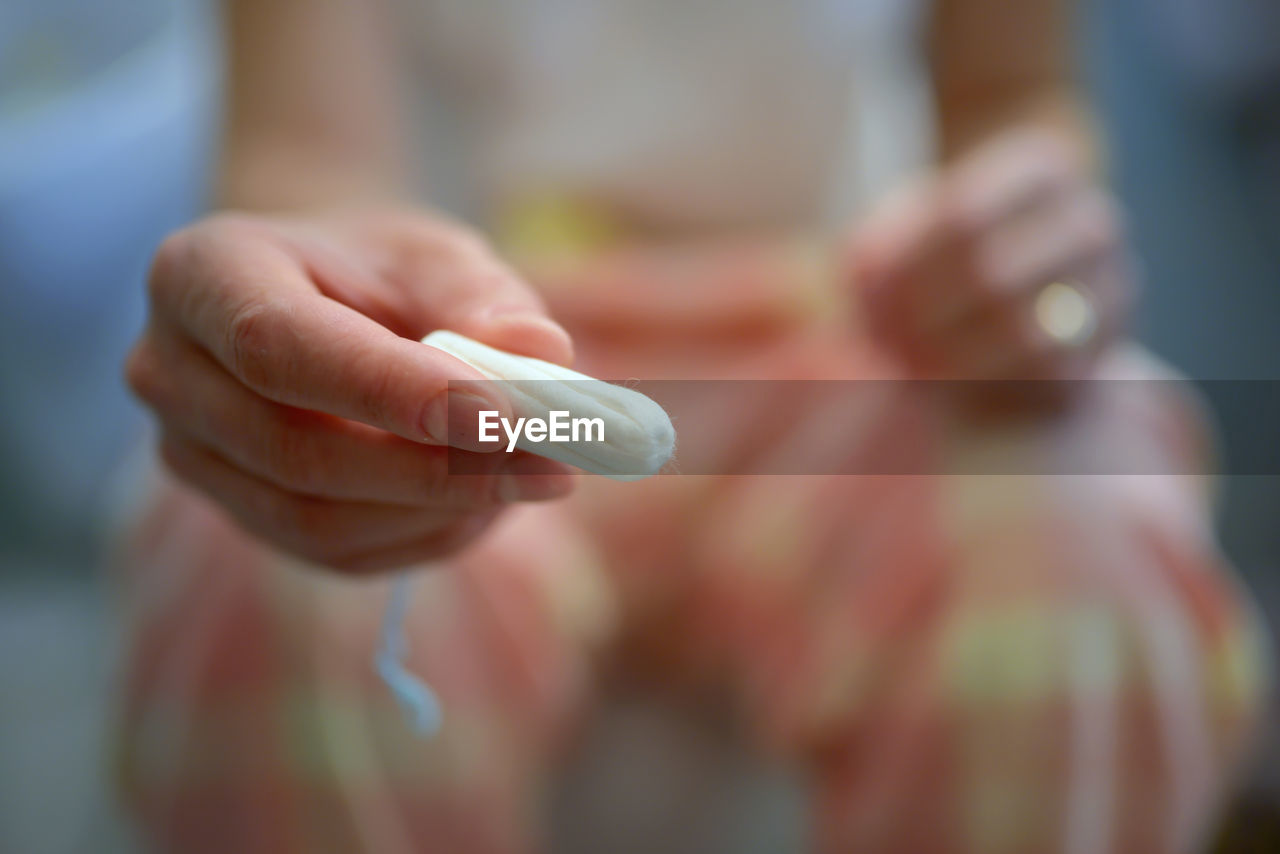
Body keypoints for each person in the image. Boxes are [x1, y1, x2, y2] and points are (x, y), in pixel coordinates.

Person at [116, 0, 1271, 851]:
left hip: (855, 341)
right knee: (264, 568)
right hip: (468, 343)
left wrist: (1027, 243)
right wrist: (316, 296)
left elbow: (1011, 96)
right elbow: (311, 164)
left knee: (1077, 519)